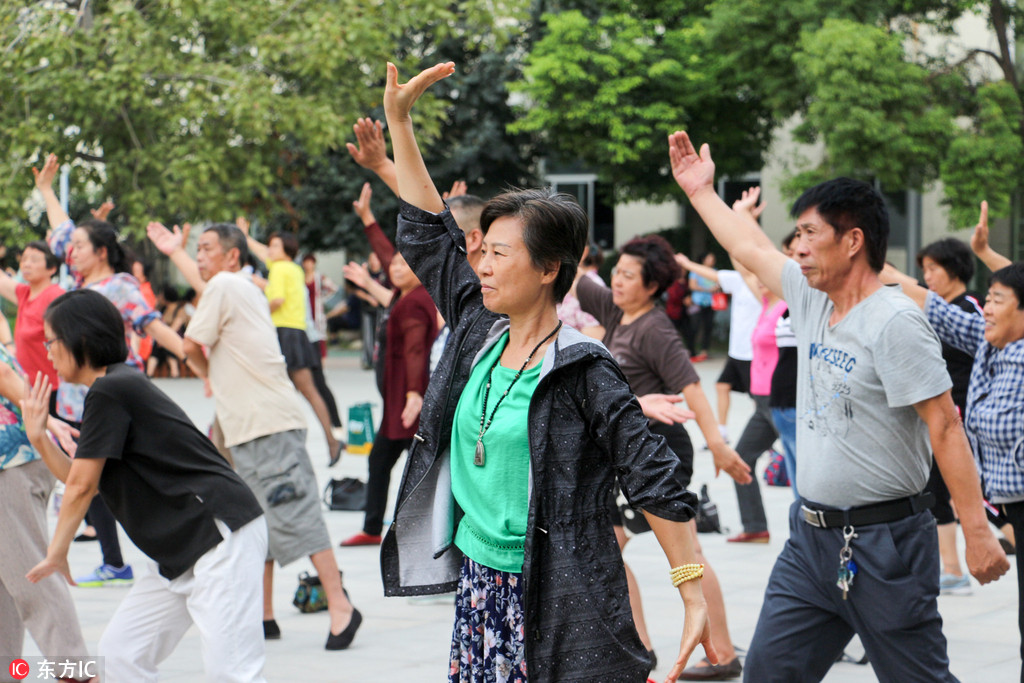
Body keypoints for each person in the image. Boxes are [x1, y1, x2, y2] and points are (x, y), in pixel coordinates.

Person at [380, 61, 716, 683]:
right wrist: (400, 122)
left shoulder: (584, 369)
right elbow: (429, 234)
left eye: (498, 252)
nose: (480, 262)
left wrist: (690, 589)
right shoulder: (479, 326)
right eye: (481, 249)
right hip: (480, 591)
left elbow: (652, 477)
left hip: (561, 591)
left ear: (547, 270)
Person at [668, 130, 1008, 682]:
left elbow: (945, 424)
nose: (796, 247)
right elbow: (750, 247)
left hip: (886, 546)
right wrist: (700, 192)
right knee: (770, 675)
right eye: (796, 234)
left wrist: (974, 530)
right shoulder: (809, 297)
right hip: (810, 540)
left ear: (852, 241)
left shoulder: (894, 322)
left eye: (808, 234)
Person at [23, 289, 269, 682]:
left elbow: (81, 487)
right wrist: (39, 438)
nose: (47, 350)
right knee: (121, 653)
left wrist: (57, 552)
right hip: (178, 550)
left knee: (233, 671)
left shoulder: (111, 390)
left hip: (217, 534)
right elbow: (80, 480)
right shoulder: (110, 390)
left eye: (51, 340)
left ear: (79, 338)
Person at [173, 222, 360, 649]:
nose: (199, 257)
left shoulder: (223, 285)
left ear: (232, 257)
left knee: (296, 513)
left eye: (206, 249)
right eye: (195, 250)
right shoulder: (239, 288)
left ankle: (341, 607)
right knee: (255, 518)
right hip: (250, 425)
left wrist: (207, 376)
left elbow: (188, 346)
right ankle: (265, 614)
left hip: (267, 425)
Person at [576, 235, 751, 680]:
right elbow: (576, 278)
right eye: (616, 270)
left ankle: (723, 653)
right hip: (623, 455)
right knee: (607, 549)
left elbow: (692, 387)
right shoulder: (616, 310)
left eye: (629, 275)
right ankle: (641, 649)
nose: (616, 279)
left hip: (661, 455)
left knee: (688, 553)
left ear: (651, 285)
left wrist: (719, 444)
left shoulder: (655, 329)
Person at [34, 154, 192, 588]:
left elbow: (152, 325)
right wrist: (47, 190)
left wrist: (193, 356)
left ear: (101, 251)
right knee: (86, 478)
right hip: (74, 400)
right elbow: (65, 229)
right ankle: (114, 559)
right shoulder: (76, 285)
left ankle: (149, 551)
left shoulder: (119, 285)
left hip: (115, 399)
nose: (71, 252)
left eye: (81, 247)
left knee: (109, 478)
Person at [882, 224, 1024, 678]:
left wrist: (986, 254)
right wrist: (868, 269)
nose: (987, 308)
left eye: (999, 300)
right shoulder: (989, 343)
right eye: (989, 298)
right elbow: (934, 308)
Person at [340, 185, 438, 547]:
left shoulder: (413, 304)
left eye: (402, 263)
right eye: (393, 263)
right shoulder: (406, 292)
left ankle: (392, 531)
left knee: (398, 465)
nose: (394, 267)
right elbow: (387, 255)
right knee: (388, 464)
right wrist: (367, 219)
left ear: (416, 268)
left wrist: (414, 393)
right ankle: (376, 528)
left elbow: (415, 351)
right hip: (398, 399)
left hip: (406, 400)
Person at [0, 348, 92, 681]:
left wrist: (49, 420)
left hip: (9, 464)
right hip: (17, 462)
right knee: (8, 586)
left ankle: (78, 673)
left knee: (33, 578)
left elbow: (4, 375)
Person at [915, 237, 984, 594]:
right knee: (936, 491)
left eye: (933, 269)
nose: (927, 276)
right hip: (942, 411)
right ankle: (953, 570)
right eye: (923, 270)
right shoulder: (938, 307)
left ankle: (959, 568)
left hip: (965, 415)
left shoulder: (969, 307)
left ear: (954, 268)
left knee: (985, 495)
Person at [247, 230, 343, 465]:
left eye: (275, 246)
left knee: (297, 390)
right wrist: (245, 237)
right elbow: (263, 254)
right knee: (303, 391)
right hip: (296, 333)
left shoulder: (280, 269)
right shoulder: (293, 268)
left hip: (285, 333)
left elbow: (277, 300)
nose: (269, 250)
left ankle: (329, 440)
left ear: (286, 250)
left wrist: (255, 313)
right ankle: (328, 439)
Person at [680, 241, 762, 449]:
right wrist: (687, 264)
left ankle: (766, 435)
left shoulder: (761, 284)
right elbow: (710, 275)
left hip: (752, 354)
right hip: (737, 353)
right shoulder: (737, 280)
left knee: (760, 400)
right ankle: (723, 431)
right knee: (721, 386)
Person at [0, 241, 64, 412]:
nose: (27, 264)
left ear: (52, 268)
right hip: (29, 386)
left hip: (54, 389)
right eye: (25, 259)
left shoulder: (55, 297)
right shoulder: (24, 293)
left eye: (34, 260)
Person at [688, 252, 718, 362]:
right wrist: (708, 289)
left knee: (708, 327)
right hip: (697, 303)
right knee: (694, 327)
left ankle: (704, 351)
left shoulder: (715, 271)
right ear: (704, 259)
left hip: (710, 303)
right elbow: (692, 285)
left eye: (713, 259)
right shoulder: (696, 270)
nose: (712, 261)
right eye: (709, 258)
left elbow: (719, 285)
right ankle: (691, 351)